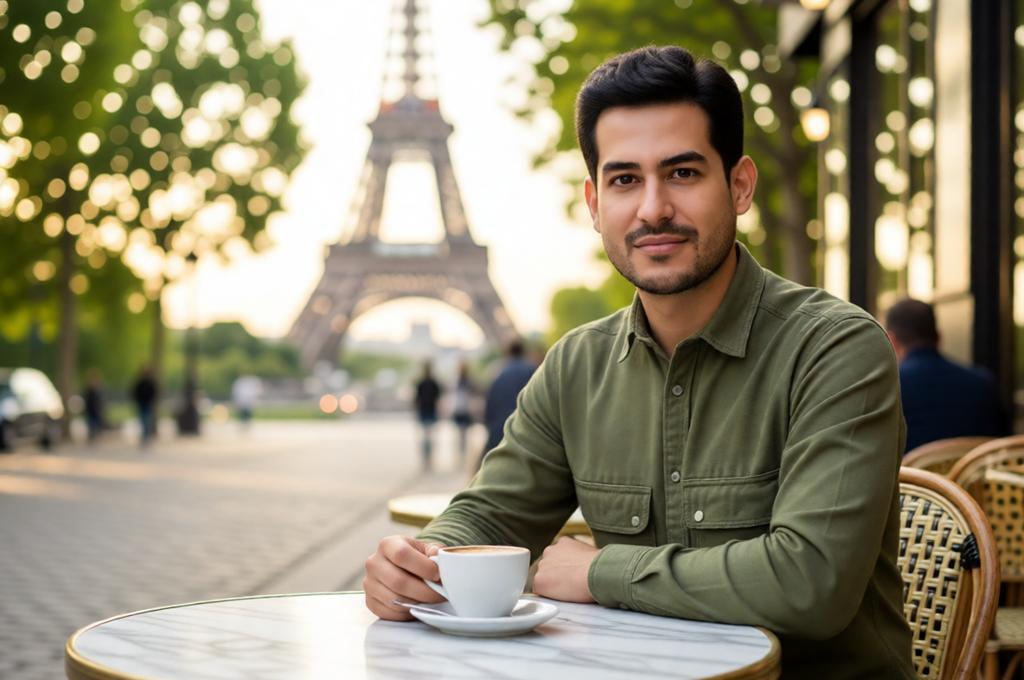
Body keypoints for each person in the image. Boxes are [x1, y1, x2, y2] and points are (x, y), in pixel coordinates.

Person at [364, 46, 913, 678]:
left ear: (739, 186)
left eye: (682, 173)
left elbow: (810, 583)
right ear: (595, 203)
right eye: (626, 180)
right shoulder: (577, 366)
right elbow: (491, 512)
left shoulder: (835, 350)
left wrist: (600, 571)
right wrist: (421, 557)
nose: (653, 208)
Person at [885, 298, 1008, 452]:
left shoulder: (890, 387)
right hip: (974, 475)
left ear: (891, 340)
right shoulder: (985, 383)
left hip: (911, 475)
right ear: (938, 337)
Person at [479, 339, 536, 468]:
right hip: (524, 431)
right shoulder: (532, 371)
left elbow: (490, 403)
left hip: (499, 429)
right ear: (523, 351)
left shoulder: (498, 373)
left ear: (508, 353)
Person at [413, 361, 442, 471]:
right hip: (430, 412)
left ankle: (427, 459)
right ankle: (428, 459)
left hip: (425, 412)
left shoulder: (421, 383)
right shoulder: (433, 383)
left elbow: (416, 400)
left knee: (426, 438)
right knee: (428, 438)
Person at [450, 361, 477, 466]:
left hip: (460, 409)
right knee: (464, 435)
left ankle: (462, 456)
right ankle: (463, 456)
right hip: (465, 410)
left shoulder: (458, 381)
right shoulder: (467, 381)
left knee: (460, 435)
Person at [131, 365, 158, 446]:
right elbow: (135, 392)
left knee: (147, 421)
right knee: (143, 421)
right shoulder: (141, 382)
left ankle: (146, 436)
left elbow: (154, 393)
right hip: (142, 404)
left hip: (147, 404)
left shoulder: (150, 382)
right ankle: (145, 436)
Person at [83, 369, 106, 443]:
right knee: (91, 423)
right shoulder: (89, 390)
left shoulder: (98, 390)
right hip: (91, 410)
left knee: (96, 423)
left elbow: (100, 401)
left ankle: (95, 435)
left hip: (96, 410)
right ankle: (92, 436)